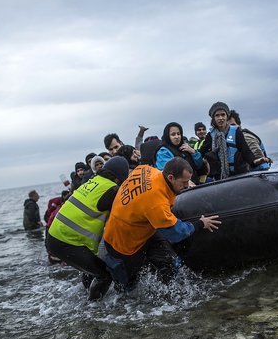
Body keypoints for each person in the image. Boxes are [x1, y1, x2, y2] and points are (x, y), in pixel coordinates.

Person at [101, 158, 221, 291]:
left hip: (142, 227)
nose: (187, 186)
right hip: (122, 243)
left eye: (188, 181)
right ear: (171, 177)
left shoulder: (146, 169)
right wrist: (200, 224)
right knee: (127, 286)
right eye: (184, 182)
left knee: (169, 263)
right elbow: (177, 233)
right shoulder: (156, 203)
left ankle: (168, 292)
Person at [46, 156, 131, 300]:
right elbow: (124, 216)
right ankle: (94, 310)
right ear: (120, 178)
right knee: (104, 275)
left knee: (92, 269)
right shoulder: (112, 190)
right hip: (66, 241)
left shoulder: (94, 181)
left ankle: (85, 297)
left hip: (54, 236)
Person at [199, 101, 266, 181]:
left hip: (239, 174)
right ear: (213, 118)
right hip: (220, 178)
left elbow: (245, 151)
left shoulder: (236, 131)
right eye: (217, 115)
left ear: (227, 116)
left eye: (223, 114)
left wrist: (255, 160)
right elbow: (202, 153)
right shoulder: (210, 136)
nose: (221, 118)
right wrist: (192, 152)